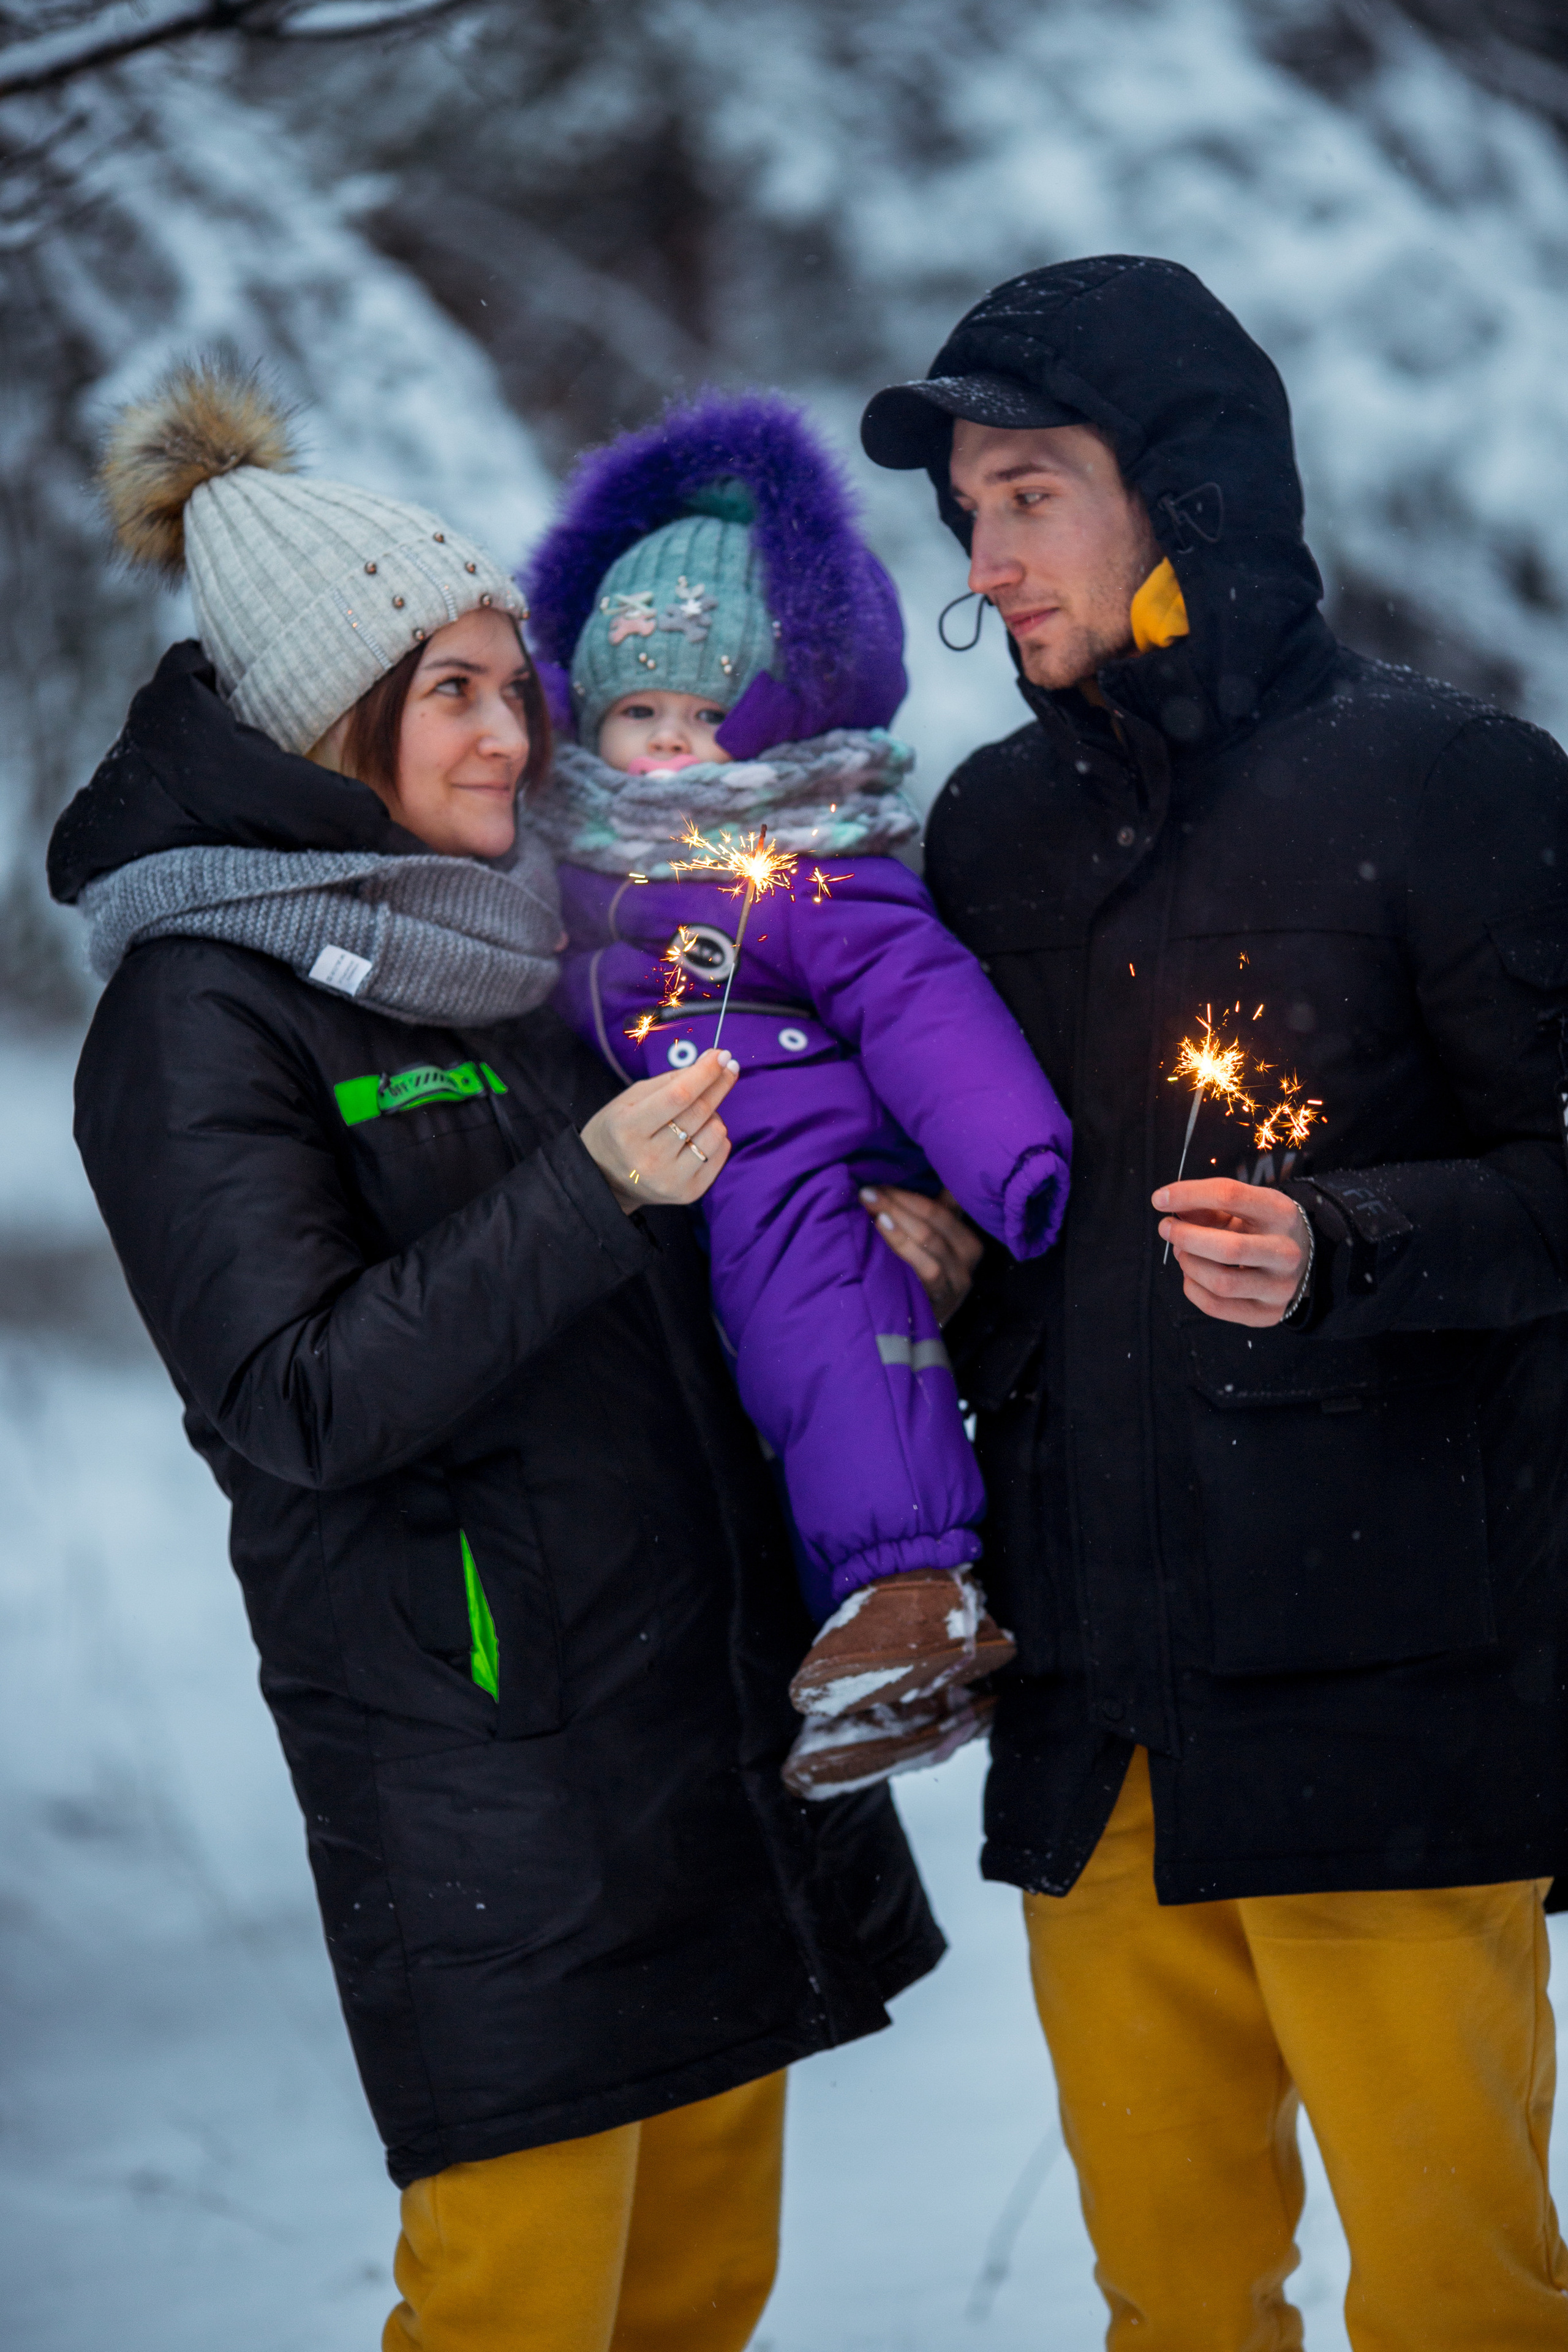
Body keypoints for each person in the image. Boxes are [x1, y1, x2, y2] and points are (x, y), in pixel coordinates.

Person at [47, 356, 946, 2352]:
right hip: (490, 1770)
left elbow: (745, 1233)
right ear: (321, 723)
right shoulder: (202, 1015)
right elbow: (296, 1398)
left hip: (699, 1716)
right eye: (448, 688)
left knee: (706, 2296)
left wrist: (900, 1235)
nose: (511, 724)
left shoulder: (563, 932)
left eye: (507, 679)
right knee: (521, 2309)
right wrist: (588, 1193)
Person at [861, 256, 1568, 2346]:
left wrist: (1350, 1250)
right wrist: (939, 1254)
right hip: (1099, 1709)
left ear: (1181, 489)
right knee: (1174, 2300)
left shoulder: (1449, 783)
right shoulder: (986, 835)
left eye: (1029, 493)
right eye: (967, 513)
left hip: (1390, 1700)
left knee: (1459, 2299)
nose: (987, 560)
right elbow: (1016, 1229)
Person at [522, 391, 1072, 1797]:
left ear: (781, 713)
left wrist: (1005, 1160)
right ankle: (882, 1674)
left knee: (820, 1324)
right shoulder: (572, 861)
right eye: (634, 709)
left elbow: (916, 1001)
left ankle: (909, 1586)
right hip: (660, 1180)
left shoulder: (810, 858)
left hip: (797, 1162)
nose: (661, 746)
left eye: (701, 714)